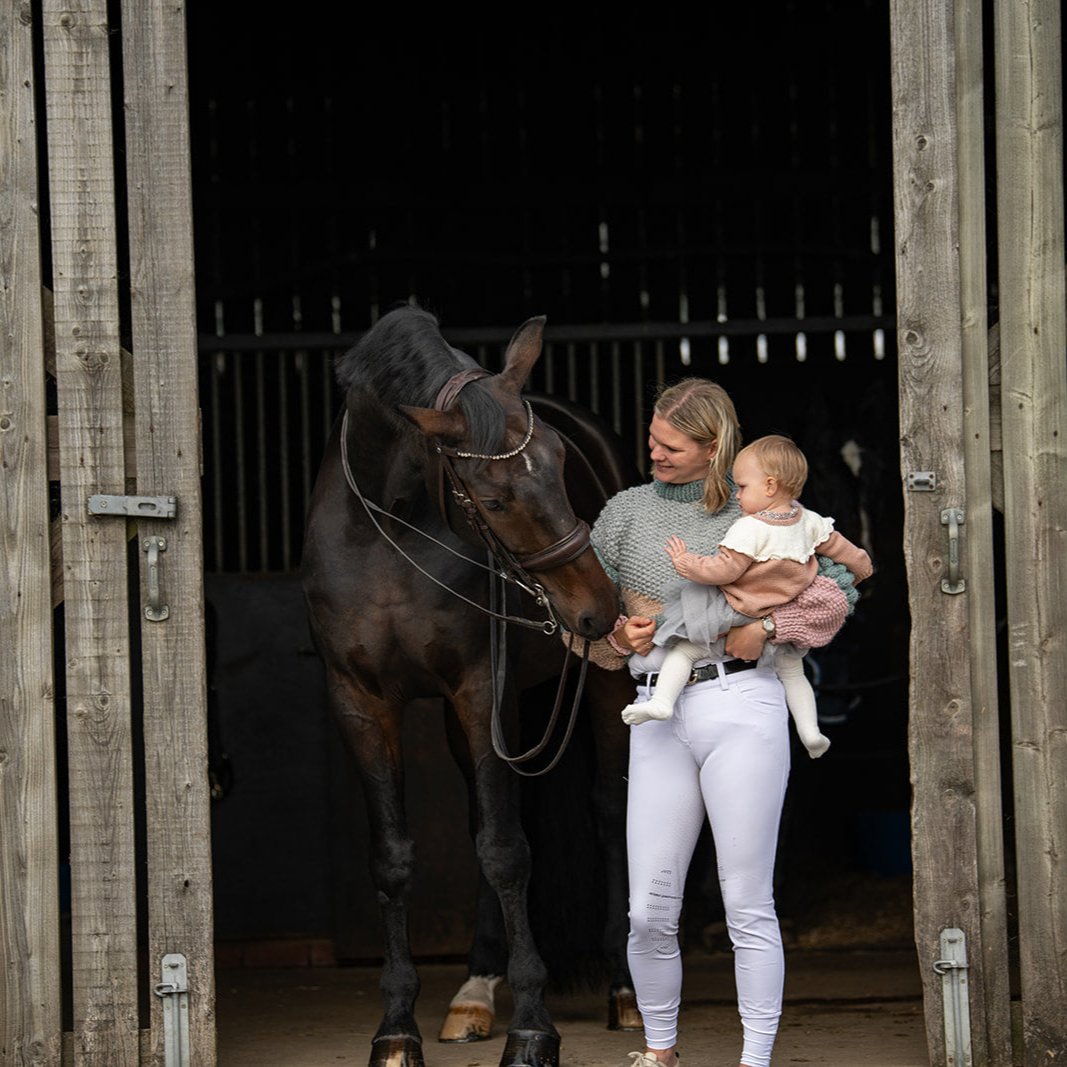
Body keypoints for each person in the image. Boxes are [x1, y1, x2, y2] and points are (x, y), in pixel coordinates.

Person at [584, 378, 858, 1067]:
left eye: (669, 445)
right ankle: (658, 1050)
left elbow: (842, 590)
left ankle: (754, 1059)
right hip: (656, 710)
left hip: (742, 702)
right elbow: (579, 630)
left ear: (713, 448)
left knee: (745, 900)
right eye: (650, 438)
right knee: (648, 908)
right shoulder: (621, 515)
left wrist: (766, 625)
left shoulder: (769, 507)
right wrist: (618, 639)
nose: (653, 452)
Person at [619, 433, 873, 759]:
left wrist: (688, 564)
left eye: (742, 487)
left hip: (736, 609)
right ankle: (811, 732)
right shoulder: (810, 522)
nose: (738, 495)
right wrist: (863, 568)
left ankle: (662, 702)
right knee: (794, 673)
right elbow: (847, 553)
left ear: (769, 486)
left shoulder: (749, 528)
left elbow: (725, 570)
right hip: (779, 612)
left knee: (685, 651)